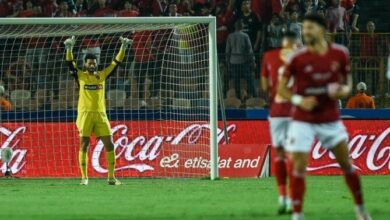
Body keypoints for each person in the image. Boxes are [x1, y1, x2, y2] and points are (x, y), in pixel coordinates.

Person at [277, 14, 371, 220]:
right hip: (302, 119)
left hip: (330, 119)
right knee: (299, 166)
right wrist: (299, 101)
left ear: (321, 30)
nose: (305, 32)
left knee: (346, 164)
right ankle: (298, 214)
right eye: (304, 29)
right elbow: (282, 89)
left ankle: (360, 209)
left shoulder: (340, 53)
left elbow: (347, 83)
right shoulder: (296, 57)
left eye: (309, 28)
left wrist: (341, 91)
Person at [64, 35, 132, 185]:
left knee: (110, 144)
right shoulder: (80, 76)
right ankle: (84, 177)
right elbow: (70, 63)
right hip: (85, 115)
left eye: (94, 63)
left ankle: (111, 177)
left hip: (101, 115)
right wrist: (69, 48)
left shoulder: (102, 75)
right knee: (84, 144)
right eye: (90, 63)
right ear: (85, 64)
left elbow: (116, 63)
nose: (92, 65)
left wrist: (123, 48)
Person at [261, 31, 300, 214]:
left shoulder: (269, 56)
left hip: (276, 112)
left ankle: (282, 198)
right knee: (293, 156)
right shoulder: (301, 58)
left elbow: (263, 86)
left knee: (280, 155)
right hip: (295, 112)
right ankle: (293, 200)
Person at [226, 19, 255, 100]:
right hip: (243, 61)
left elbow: (227, 51)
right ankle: (252, 95)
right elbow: (249, 50)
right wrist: (253, 61)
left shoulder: (230, 36)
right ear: (242, 26)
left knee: (236, 81)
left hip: (233, 61)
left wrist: (227, 62)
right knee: (249, 79)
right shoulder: (245, 36)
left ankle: (238, 97)